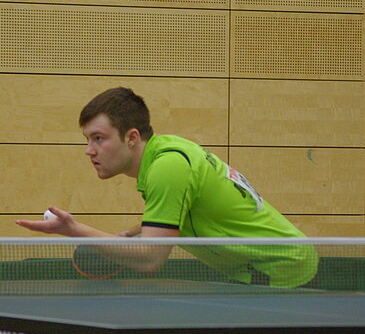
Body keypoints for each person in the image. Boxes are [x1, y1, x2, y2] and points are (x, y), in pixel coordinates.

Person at [16, 87, 318, 287]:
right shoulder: (169, 151)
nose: (89, 151)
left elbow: (150, 259)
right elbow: (180, 208)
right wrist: (133, 232)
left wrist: (73, 229)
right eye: (87, 140)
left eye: (99, 138)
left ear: (132, 137)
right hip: (264, 267)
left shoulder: (167, 168)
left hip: (281, 270)